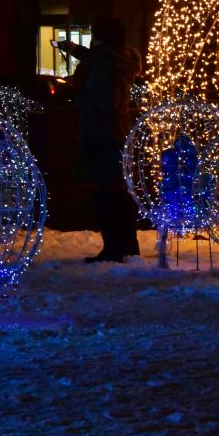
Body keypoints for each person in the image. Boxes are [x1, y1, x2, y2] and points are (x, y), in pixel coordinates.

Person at [57, 16, 142, 263]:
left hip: (100, 132)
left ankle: (113, 249)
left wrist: (75, 97)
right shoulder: (119, 59)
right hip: (116, 131)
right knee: (117, 190)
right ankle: (127, 246)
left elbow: (104, 102)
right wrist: (72, 49)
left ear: (101, 36)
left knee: (103, 191)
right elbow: (95, 58)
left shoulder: (105, 64)